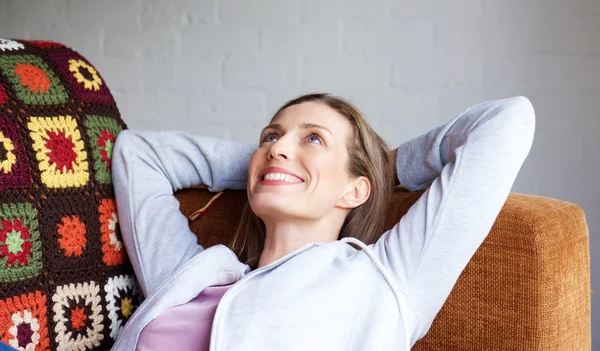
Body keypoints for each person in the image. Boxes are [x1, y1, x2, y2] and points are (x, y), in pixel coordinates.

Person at [110, 93, 535, 350]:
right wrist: (271, 167)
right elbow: (138, 152)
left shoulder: (387, 277)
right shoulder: (192, 277)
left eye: (313, 138)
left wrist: (382, 172)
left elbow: (506, 121)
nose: (278, 147)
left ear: (355, 190)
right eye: (271, 136)